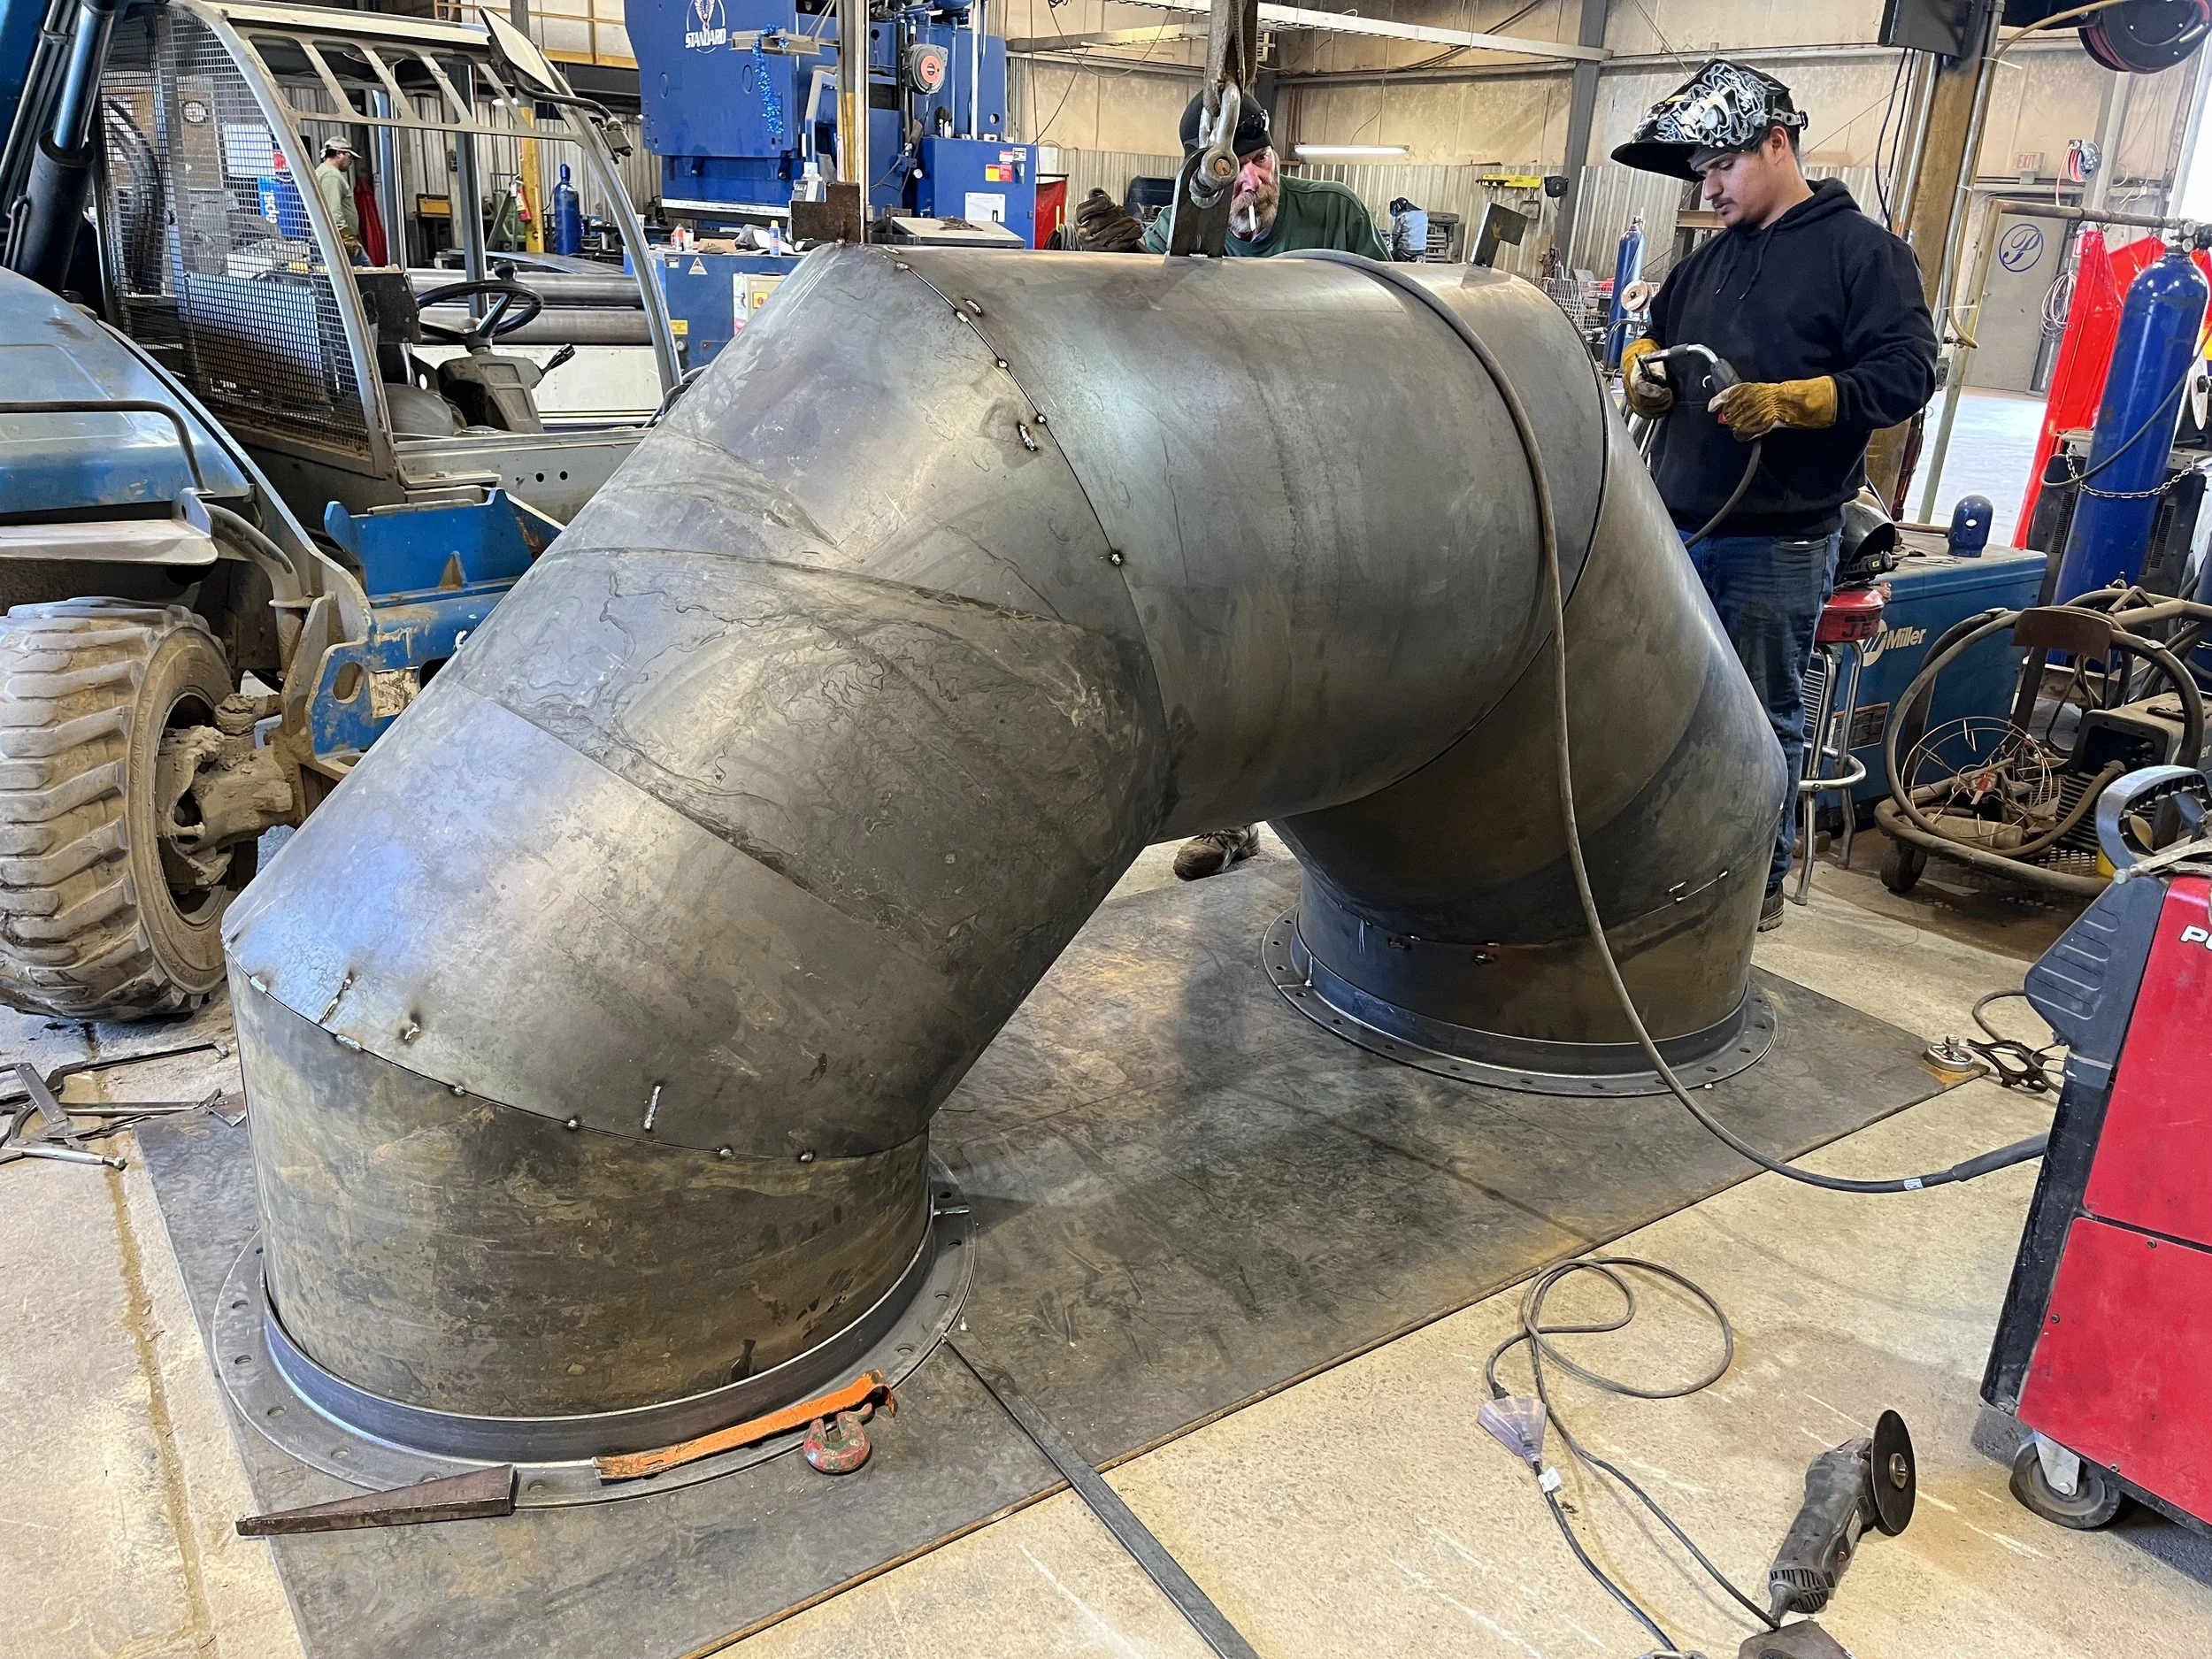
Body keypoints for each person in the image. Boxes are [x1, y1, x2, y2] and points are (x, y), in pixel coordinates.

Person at [1613, 61, 1936, 931]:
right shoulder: (1709, 260)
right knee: (1663, 709)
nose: (1706, 187)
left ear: (1777, 143)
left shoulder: (1861, 256)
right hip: (1674, 528)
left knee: (1757, 714)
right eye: (1700, 174)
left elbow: (1907, 373)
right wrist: (1639, 370)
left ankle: (1750, 880)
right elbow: (1653, 338)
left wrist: (1794, 400)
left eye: (1718, 167)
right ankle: (1668, 865)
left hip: (1775, 540)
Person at [1073, 94, 1388, 879]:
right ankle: (1234, 818)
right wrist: (1110, 267)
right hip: (1233, 480)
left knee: (1345, 648)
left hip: (1335, 472)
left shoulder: (1337, 217)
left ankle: (1359, 818)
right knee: (1235, 654)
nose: (1246, 182)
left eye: (1256, 162)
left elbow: (1395, 325)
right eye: (1228, 169)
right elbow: (1133, 317)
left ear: (1274, 157)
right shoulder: (1187, 224)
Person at [312, 134, 367, 265]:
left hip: (330, 239)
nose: (351, 161)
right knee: (370, 277)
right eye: (350, 156)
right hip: (337, 241)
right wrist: (348, 239)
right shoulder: (331, 176)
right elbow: (333, 212)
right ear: (339, 154)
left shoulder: (322, 172)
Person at [1388, 196, 1429, 261]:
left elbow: (1396, 234)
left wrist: (1394, 244)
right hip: (1422, 249)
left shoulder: (1403, 216)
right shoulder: (1423, 215)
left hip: (1407, 250)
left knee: (1392, 257)